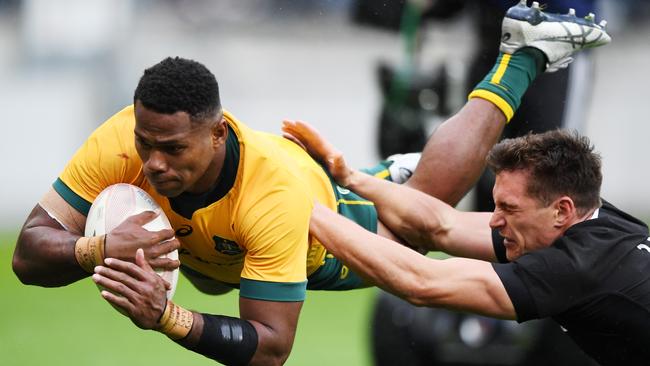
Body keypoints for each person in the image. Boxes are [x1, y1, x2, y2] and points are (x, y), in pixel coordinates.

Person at [12, 2, 609, 366]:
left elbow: (270, 349)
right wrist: (94, 249)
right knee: (215, 270)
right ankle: (379, 178)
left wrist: (168, 317)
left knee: (423, 224)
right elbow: (26, 253)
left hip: (316, 223)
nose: (155, 164)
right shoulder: (122, 138)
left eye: (173, 149)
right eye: (147, 145)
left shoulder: (269, 198)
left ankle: (521, 55)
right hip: (226, 242)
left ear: (217, 134)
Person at [281, 22, 648, 366]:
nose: (494, 218)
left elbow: (421, 282)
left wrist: (304, 207)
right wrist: (351, 178)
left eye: (509, 207)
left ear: (561, 210)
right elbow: (442, 226)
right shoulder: (590, 222)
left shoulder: (574, 268)